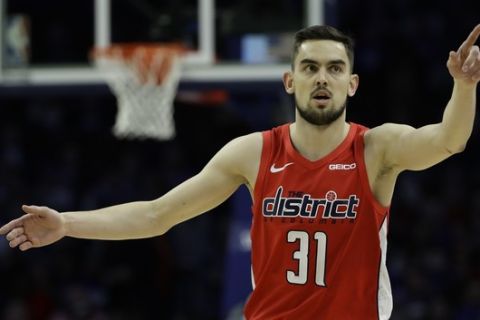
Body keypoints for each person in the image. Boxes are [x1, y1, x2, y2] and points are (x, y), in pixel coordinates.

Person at [1, 24, 480, 319]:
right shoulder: (252, 153)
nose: (322, 78)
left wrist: (463, 86)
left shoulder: (377, 149)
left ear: (351, 84)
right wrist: (67, 223)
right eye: (310, 67)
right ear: (290, 80)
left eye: (335, 69)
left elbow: (449, 140)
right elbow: (156, 215)